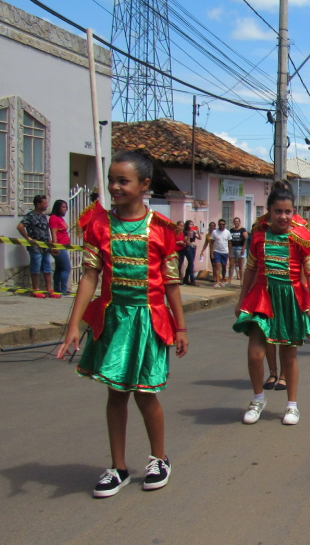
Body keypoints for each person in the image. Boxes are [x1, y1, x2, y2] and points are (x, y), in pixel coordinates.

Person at [56, 150, 189, 497]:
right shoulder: (98, 226)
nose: (114, 186)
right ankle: (118, 467)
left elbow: (172, 284)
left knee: (146, 395)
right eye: (112, 180)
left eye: (123, 181)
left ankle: (159, 458)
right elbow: (89, 277)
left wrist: (181, 327)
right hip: (114, 320)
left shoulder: (161, 230)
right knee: (116, 394)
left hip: (150, 320)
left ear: (144, 185)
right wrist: (74, 326)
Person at [234, 181, 310, 426]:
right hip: (262, 298)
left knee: (289, 355)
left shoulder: (302, 238)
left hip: (290, 299)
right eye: (278, 211)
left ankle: (292, 406)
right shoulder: (259, 236)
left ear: (294, 212)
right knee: (254, 354)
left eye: (288, 211)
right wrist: (242, 301)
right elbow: (250, 270)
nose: (283, 216)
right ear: (269, 212)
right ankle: (258, 399)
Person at [17, 194, 56, 298]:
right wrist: (28, 238)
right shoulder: (30, 215)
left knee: (47, 267)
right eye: (45, 203)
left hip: (45, 247)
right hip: (35, 247)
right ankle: (36, 289)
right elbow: (20, 227)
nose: (47, 205)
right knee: (36, 267)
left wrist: (50, 243)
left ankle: (48, 289)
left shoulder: (44, 217)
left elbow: (46, 231)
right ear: (38, 204)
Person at [48, 199, 72, 295]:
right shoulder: (54, 218)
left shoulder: (60, 218)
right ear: (58, 207)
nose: (65, 209)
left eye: (66, 207)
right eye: (63, 207)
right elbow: (54, 233)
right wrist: (55, 246)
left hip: (64, 245)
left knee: (59, 268)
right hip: (59, 246)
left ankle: (57, 289)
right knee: (67, 268)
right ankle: (63, 289)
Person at [200, 218, 231, 288]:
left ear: (225, 225)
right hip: (217, 251)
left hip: (225, 251)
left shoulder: (227, 232)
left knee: (224, 266)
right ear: (218, 225)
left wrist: (230, 253)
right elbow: (211, 243)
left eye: (223, 224)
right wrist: (211, 252)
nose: (222, 225)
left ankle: (223, 280)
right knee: (217, 265)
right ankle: (217, 281)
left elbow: (230, 243)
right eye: (220, 224)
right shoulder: (214, 232)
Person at [229, 217, 248, 284]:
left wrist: (243, 248)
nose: (236, 222)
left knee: (241, 265)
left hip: (240, 248)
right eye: (235, 221)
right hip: (233, 248)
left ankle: (241, 281)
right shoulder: (231, 230)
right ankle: (230, 280)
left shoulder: (242, 230)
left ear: (239, 222)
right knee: (231, 265)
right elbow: (230, 241)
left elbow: (246, 239)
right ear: (233, 222)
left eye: (237, 221)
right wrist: (230, 251)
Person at [181, 221, 200, 285]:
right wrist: (189, 234)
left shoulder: (193, 232)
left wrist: (198, 232)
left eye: (192, 224)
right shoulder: (185, 232)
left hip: (193, 247)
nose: (191, 225)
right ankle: (192, 279)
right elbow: (187, 242)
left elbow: (200, 238)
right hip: (188, 247)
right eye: (190, 224)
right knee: (191, 263)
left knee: (190, 264)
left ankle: (186, 279)